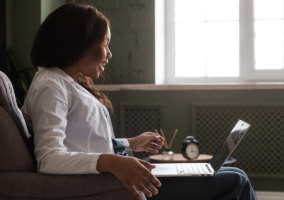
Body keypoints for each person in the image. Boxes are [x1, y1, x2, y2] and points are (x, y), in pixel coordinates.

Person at [21, 3, 258, 200]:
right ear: (80, 43)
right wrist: (114, 163)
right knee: (236, 180)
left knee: (233, 172)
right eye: (105, 44)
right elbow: (49, 159)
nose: (109, 54)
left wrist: (131, 143)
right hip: (116, 185)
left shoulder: (65, 82)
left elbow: (82, 142)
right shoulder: (51, 85)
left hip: (122, 175)